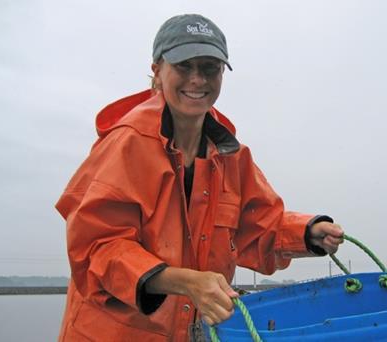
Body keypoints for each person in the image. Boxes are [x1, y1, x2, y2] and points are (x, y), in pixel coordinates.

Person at [56, 13, 344, 341]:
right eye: (184, 66)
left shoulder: (232, 157)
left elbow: (260, 226)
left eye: (209, 68)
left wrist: (307, 232)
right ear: (157, 71)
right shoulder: (125, 144)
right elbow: (96, 248)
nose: (197, 79)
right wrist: (187, 282)